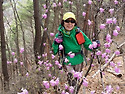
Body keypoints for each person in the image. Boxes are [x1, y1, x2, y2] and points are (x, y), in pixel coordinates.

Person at [52, 12, 99, 86]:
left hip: (78, 60)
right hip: (67, 61)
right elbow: (54, 51)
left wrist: (94, 46)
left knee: (77, 81)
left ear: (75, 23)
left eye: (72, 21)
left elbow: (87, 44)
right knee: (71, 81)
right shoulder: (59, 34)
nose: (69, 23)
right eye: (67, 21)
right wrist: (56, 42)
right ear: (63, 22)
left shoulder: (78, 32)